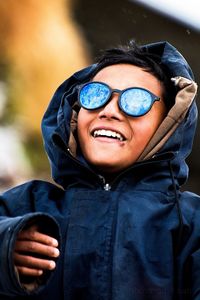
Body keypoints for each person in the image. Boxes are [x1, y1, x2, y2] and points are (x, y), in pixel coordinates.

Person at [0, 40, 199, 300]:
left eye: (136, 100)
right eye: (94, 95)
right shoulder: (26, 205)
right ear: (74, 113)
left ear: (167, 125)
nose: (108, 111)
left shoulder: (191, 223)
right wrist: (4, 250)